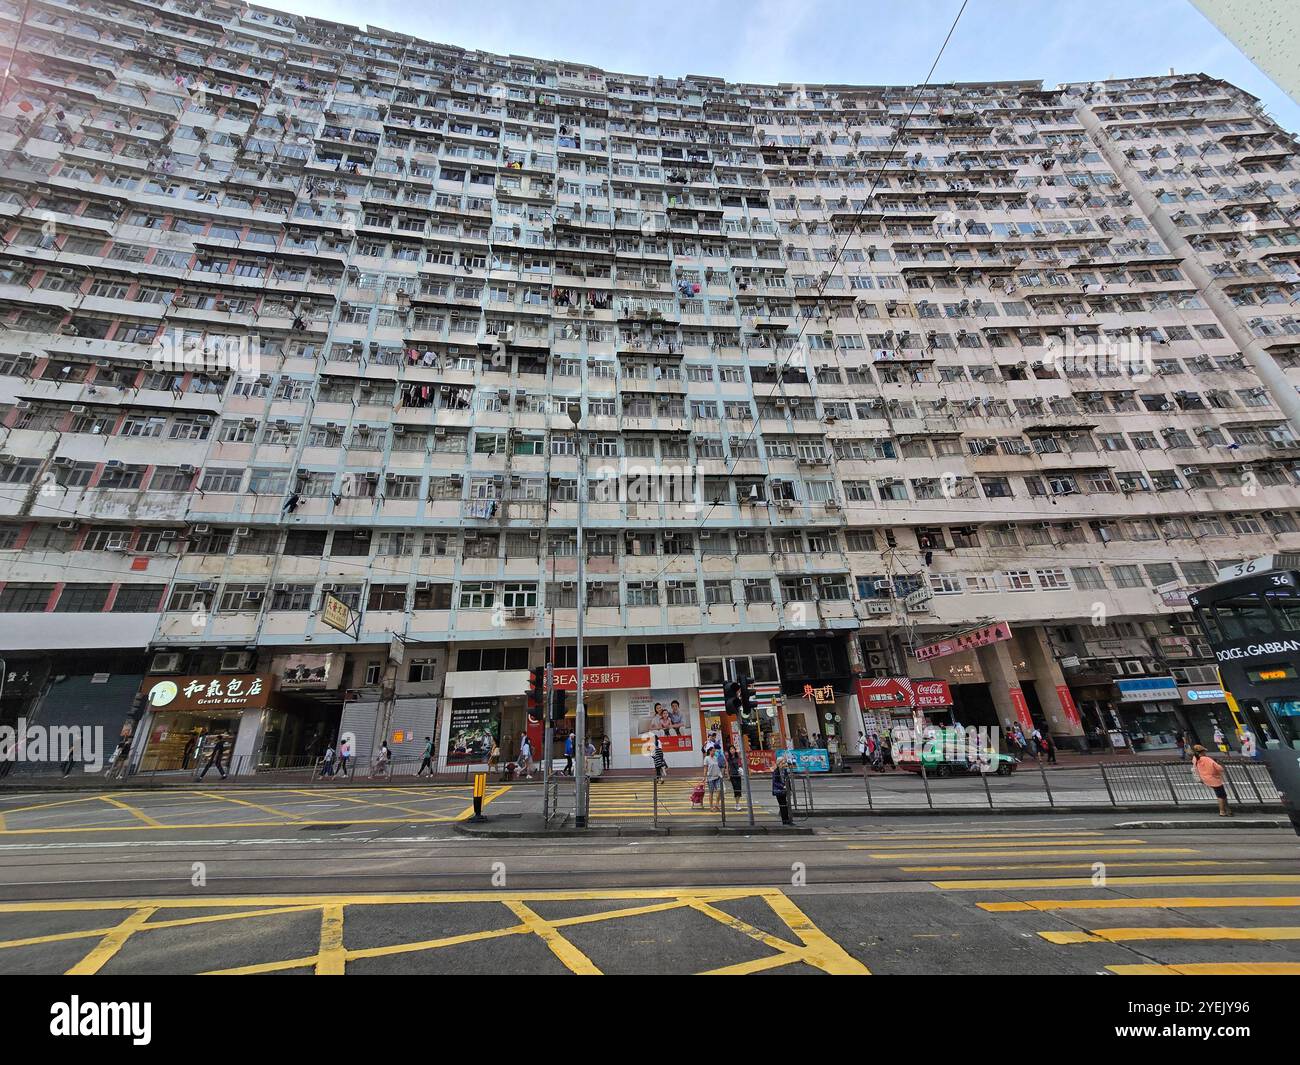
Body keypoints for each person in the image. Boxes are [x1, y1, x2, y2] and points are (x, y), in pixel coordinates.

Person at [1191, 744, 1232, 817]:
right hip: (1214, 779)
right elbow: (1219, 768)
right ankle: (1222, 811)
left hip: (1205, 778)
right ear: (1202, 751)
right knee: (1221, 795)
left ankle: (1228, 809)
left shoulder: (1195, 759)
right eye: (1204, 751)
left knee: (1223, 795)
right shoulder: (1207, 759)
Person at [772, 756, 793, 825]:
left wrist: (789, 789)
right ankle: (785, 820)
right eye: (783, 763)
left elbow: (787, 780)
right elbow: (775, 782)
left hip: (784, 790)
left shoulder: (784, 771)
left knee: (786, 805)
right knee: (782, 805)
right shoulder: (776, 771)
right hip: (778, 791)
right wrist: (783, 786)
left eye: (784, 763)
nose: (784, 764)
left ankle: (787, 820)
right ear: (779, 763)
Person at [703, 743, 724, 811]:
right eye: (713, 751)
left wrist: (720, 774)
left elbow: (718, 766)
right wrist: (704, 777)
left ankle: (717, 804)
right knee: (711, 792)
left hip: (717, 777)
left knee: (719, 790)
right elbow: (705, 768)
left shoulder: (715, 758)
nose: (714, 752)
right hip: (710, 778)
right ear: (710, 751)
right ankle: (711, 807)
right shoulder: (706, 758)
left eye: (715, 751)